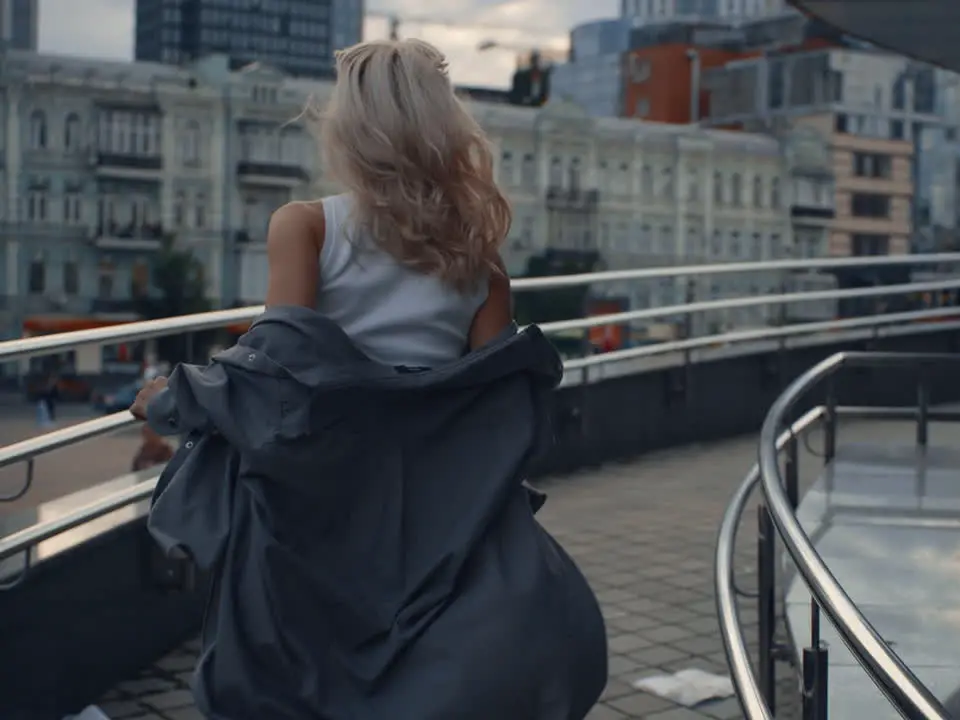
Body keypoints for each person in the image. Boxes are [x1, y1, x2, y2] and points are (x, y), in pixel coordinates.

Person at [131, 39, 606, 720]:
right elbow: (498, 403)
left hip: (324, 498)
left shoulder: (306, 228)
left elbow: (277, 368)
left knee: (308, 673)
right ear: (444, 129)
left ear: (351, 130)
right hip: (439, 508)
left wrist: (173, 399)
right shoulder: (480, 259)